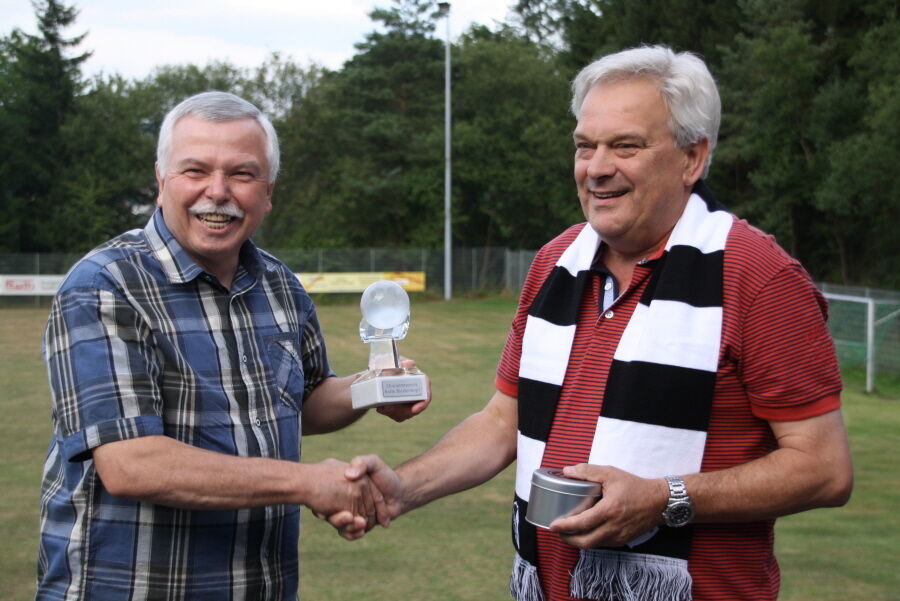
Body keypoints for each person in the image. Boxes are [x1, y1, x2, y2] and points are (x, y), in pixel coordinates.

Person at [330, 45, 853, 601]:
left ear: (692, 158)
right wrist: (402, 488)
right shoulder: (555, 262)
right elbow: (505, 420)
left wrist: (664, 497)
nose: (597, 167)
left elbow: (823, 467)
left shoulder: (759, 276)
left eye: (625, 145)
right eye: (585, 146)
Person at [35, 90, 430, 600]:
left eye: (241, 174)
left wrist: (373, 387)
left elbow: (303, 401)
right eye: (195, 170)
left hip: (258, 584)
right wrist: (310, 483)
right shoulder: (104, 285)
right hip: (133, 586)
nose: (217, 192)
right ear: (161, 181)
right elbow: (132, 463)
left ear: (269, 191)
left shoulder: (280, 286)